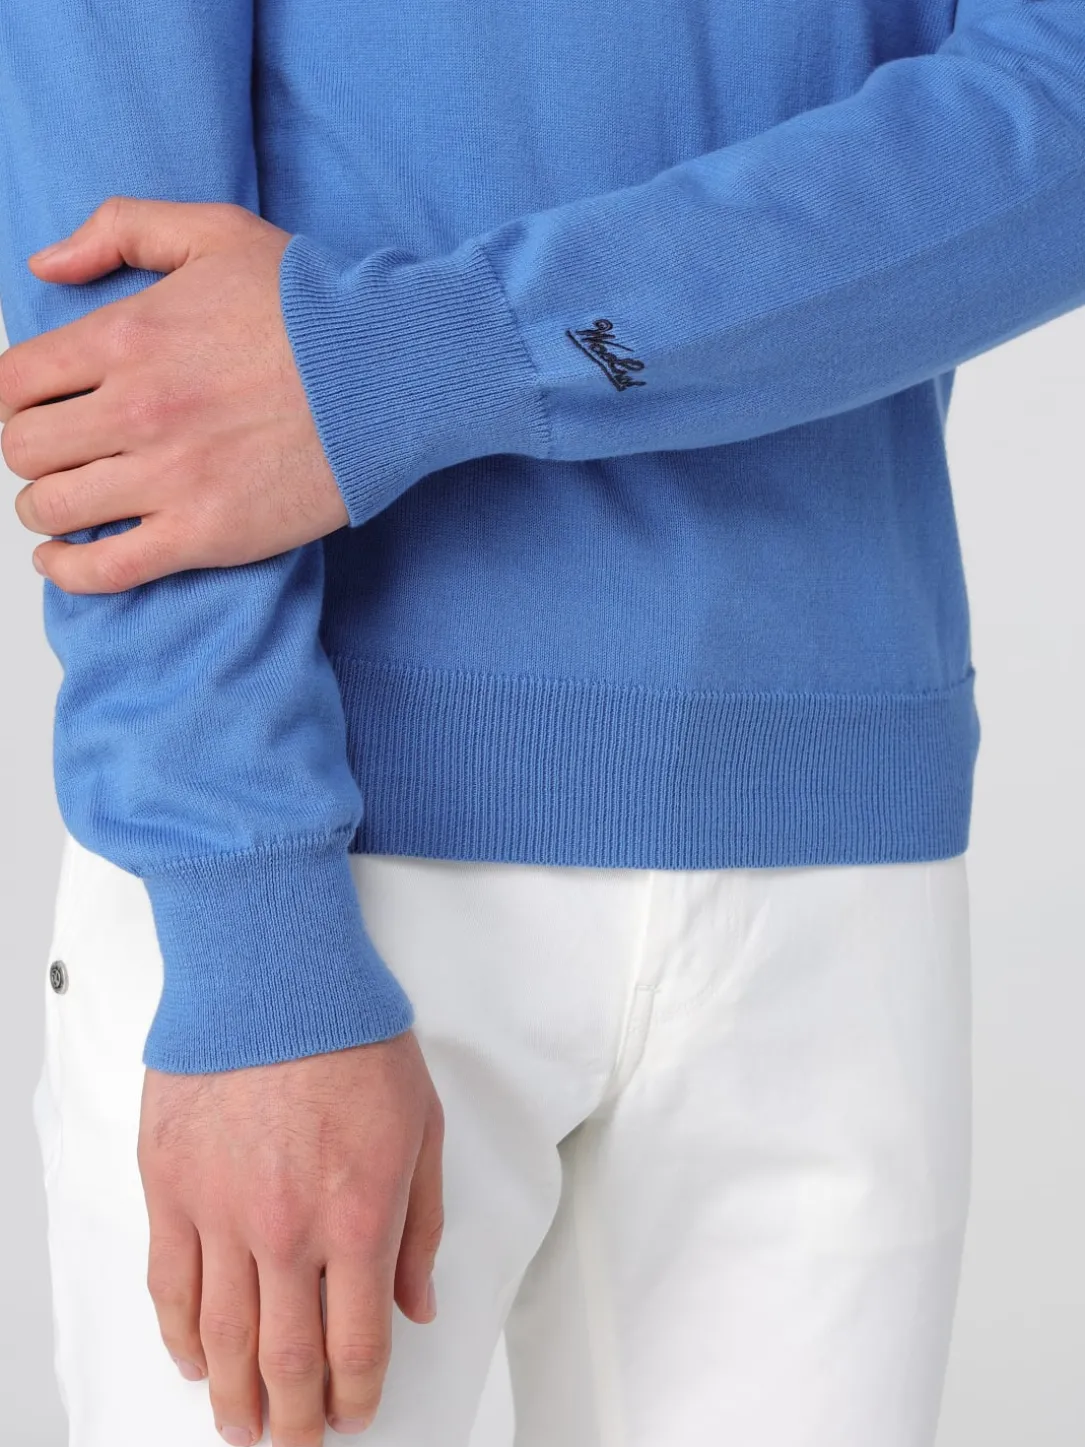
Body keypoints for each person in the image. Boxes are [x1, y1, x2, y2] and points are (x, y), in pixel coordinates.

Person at [0, 1, 1082, 1444]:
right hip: (319, 858)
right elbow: (121, 339)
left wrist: (432, 355)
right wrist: (252, 927)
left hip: (835, 869)